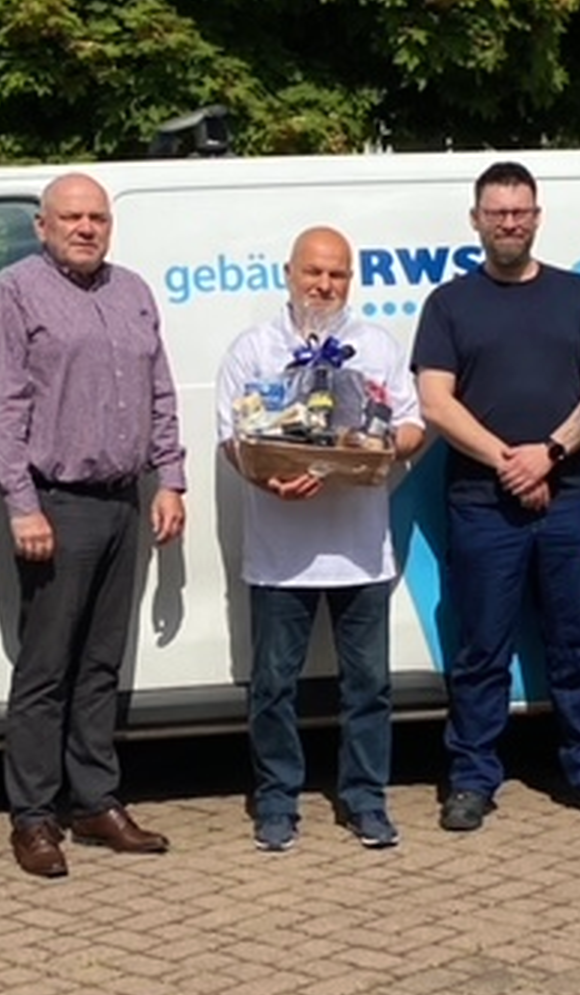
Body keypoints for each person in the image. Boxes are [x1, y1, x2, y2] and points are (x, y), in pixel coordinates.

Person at [0, 173, 187, 878]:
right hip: (55, 504)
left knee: (100, 664)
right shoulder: (12, 294)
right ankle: (34, 817)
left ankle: (95, 800)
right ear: (42, 226)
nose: (86, 227)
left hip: (124, 501)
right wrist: (22, 504)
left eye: (97, 217)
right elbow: (2, 410)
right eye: (71, 217)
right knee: (46, 668)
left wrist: (170, 478)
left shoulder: (133, 292)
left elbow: (160, 392)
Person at [411, 161, 580, 833]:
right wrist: (510, 462)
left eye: (520, 211)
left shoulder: (579, 295)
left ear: (537, 217)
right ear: (475, 220)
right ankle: (472, 779)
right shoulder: (449, 304)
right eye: (497, 212)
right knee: (482, 649)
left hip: (567, 498)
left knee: (576, 644)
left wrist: (549, 454)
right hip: (481, 503)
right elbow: (435, 402)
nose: (509, 223)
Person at [216, 226, 427, 852]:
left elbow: (413, 426)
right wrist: (268, 475)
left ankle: (366, 800)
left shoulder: (377, 346)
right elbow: (232, 439)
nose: (324, 285)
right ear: (289, 274)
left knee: (369, 688)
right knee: (273, 688)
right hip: (279, 557)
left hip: (361, 554)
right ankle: (277, 802)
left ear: (351, 280)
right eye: (313, 272)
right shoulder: (253, 349)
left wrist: (373, 449)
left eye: (336, 274)